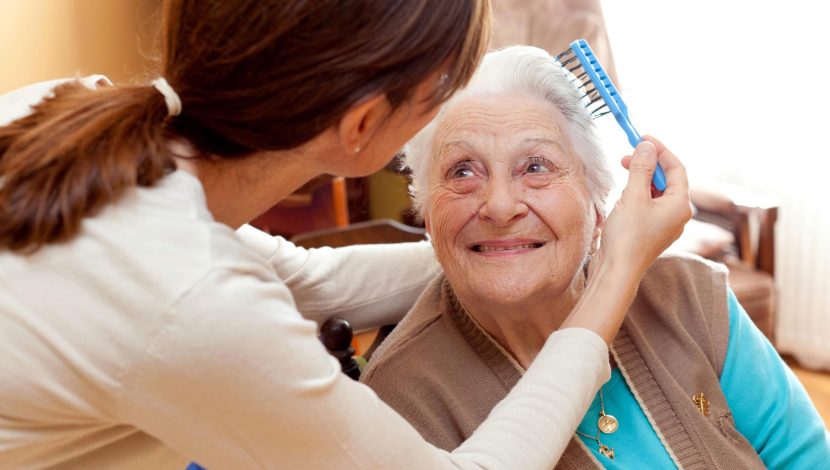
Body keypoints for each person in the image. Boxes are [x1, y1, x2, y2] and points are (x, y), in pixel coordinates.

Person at [0, 2, 692, 468]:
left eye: (536, 169)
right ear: (362, 128)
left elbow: (309, 280)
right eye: (445, 90)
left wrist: (509, 244)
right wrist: (615, 272)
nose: (502, 199)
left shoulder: (62, 110)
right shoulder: (190, 302)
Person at [361, 45, 830, 469]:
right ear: (426, 212)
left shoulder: (692, 295)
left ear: (597, 202)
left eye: (536, 167)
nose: (500, 206)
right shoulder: (400, 400)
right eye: (462, 171)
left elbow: (806, 460)